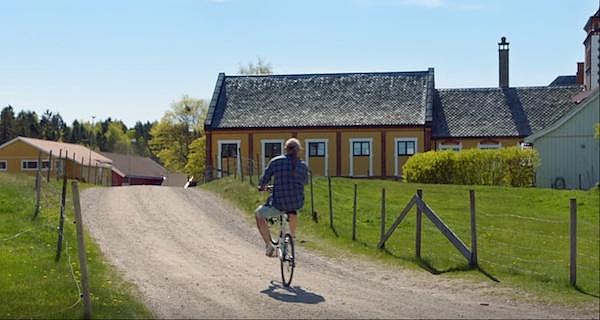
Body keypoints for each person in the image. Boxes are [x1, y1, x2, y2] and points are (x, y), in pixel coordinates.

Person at [256, 138, 308, 257]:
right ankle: (292, 237)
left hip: (279, 203)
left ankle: (269, 246)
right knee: (293, 211)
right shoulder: (303, 165)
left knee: (259, 214)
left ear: (286, 149)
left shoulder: (276, 161)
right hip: (297, 202)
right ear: (298, 151)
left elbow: (265, 178)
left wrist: (262, 186)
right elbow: (305, 182)